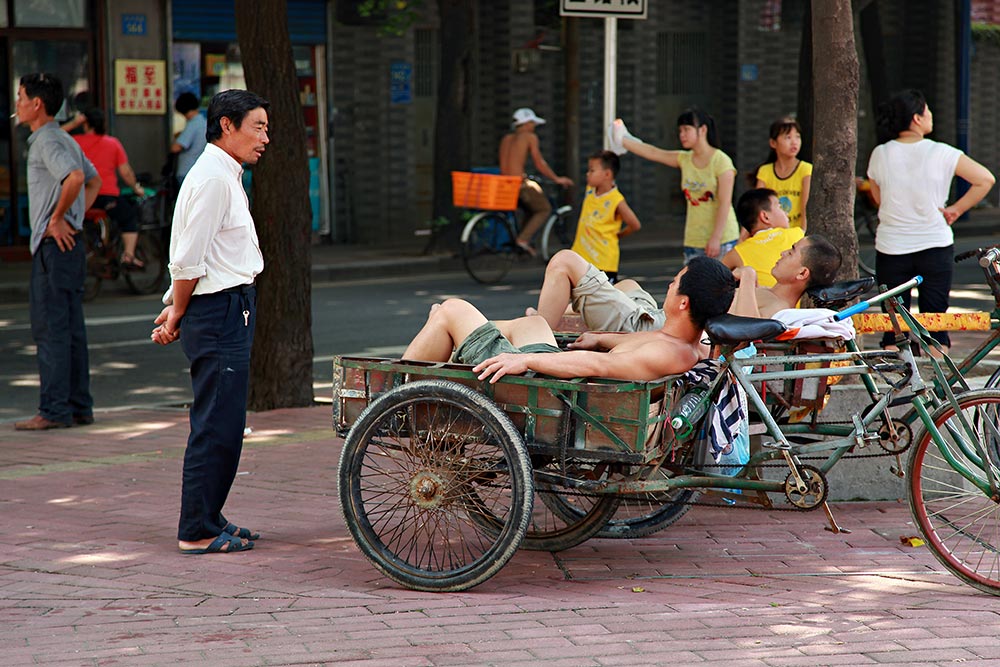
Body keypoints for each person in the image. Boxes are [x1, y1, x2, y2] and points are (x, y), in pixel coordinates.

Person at [150, 89, 270, 555]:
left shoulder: (224, 174)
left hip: (224, 306)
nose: (265, 137)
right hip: (218, 311)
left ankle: (210, 515)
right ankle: (195, 529)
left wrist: (174, 305)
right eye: (257, 126)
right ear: (226, 126)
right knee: (214, 422)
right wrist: (178, 309)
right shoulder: (215, 179)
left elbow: (199, 254)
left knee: (226, 420)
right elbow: (187, 260)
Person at [403, 256, 737, 383]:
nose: (668, 284)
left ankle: (393, 398)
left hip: (548, 390)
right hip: (556, 378)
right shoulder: (688, 342)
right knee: (535, 324)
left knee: (450, 308)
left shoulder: (669, 353)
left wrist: (527, 360)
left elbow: (597, 367)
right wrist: (602, 338)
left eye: (674, 280)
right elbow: (636, 345)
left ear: (683, 302)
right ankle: (454, 339)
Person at [866, 89, 996, 354]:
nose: (931, 115)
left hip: (892, 247)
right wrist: (956, 210)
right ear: (916, 118)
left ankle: (896, 388)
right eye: (927, 110)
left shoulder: (881, 153)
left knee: (894, 328)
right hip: (935, 245)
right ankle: (939, 391)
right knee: (935, 326)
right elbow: (985, 179)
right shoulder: (943, 152)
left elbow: (878, 197)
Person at [13, 73, 102, 431]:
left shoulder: (46, 140)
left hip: (55, 246)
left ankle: (53, 410)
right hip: (70, 245)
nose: (17, 104)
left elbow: (77, 179)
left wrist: (59, 218)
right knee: (70, 330)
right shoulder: (64, 137)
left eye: (20, 97)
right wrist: (74, 218)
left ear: (37, 104)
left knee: (51, 330)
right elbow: (92, 179)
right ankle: (79, 407)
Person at [528, 235, 841, 333]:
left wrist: (747, 278)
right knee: (627, 284)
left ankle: (539, 336)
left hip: (657, 330)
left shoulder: (778, 309)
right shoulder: (774, 298)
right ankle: (547, 320)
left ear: (802, 274)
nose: (784, 253)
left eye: (793, 252)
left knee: (565, 260)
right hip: (658, 316)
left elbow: (745, 333)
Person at [609, 109, 739, 262]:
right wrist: (622, 140)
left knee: (721, 284)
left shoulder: (721, 161)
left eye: (686, 129)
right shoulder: (685, 159)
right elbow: (654, 153)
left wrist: (716, 238)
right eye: (680, 130)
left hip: (723, 239)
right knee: (692, 285)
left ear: (703, 129)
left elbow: (725, 203)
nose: (682, 134)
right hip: (693, 239)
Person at [70, 108, 147, 268]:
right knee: (129, 217)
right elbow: (125, 172)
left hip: (83, 198)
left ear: (85, 124)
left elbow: (53, 135)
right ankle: (129, 256)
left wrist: (74, 123)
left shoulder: (75, 141)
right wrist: (136, 188)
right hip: (107, 196)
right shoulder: (112, 143)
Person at [499, 107, 573, 256]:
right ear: (526, 124)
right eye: (533, 123)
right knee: (544, 208)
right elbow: (539, 163)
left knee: (531, 207)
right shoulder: (529, 137)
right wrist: (556, 179)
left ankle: (521, 240)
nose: (534, 127)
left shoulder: (506, 139)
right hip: (519, 184)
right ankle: (523, 240)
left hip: (504, 185)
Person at [568, 150, 641, 282]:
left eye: (592, 170)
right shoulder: (590, 190)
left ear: (607, 174)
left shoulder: (616, 200)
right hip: (580, 257)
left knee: (601, 301)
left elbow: (634, 224)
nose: (587, 174)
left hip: (603, 263)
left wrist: (619, 234)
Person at [721, 187, 804, 287]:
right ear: (765, 217)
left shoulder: (737, 252)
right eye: (780, 207)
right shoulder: (797, 234)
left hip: (761, 301)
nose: (786, 213)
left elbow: (713, 277)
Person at [754, 116, 812, 231]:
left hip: (795, 235)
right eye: (788, 137)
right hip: (771, 235)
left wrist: (803, 236)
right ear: (773, 143)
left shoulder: (806, 169)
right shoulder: (765, 171)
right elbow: (756, 207)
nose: (794, 142)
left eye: (797, 137)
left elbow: (806, 208)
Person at [170, 92, 207, 184]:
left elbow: (176, 148)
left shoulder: (193, 124)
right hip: (201, 171)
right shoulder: (204, 123)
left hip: (187, 170)